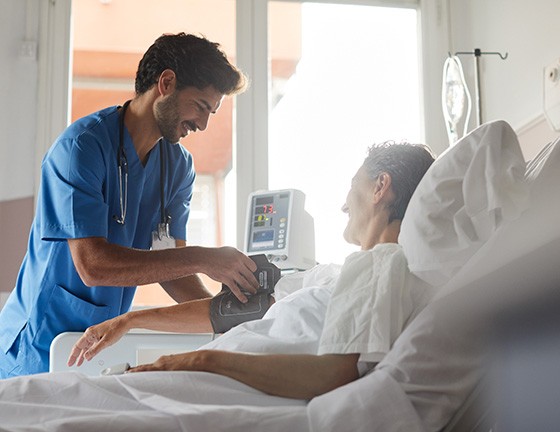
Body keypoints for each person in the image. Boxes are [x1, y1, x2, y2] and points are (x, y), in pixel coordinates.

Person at [67, 141, 436, 400]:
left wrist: (199, 360)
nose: (343, 205)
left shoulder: (381, 264)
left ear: (380, 187)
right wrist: (130, 320)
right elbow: (230, 310)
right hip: (193, 378)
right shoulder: (332, 276)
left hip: (209, 383)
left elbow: (336, 374)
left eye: (352, 187)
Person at [0, 33, 261, 379]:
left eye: (210, 112)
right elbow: (93, 266)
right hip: (39, 344)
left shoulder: (177, 167)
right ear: (166, 83)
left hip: (98, 346)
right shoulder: (81, 149)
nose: (202, 124)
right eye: (199, 106)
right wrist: (208, 257)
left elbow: (175, 270)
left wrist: (223, 317)